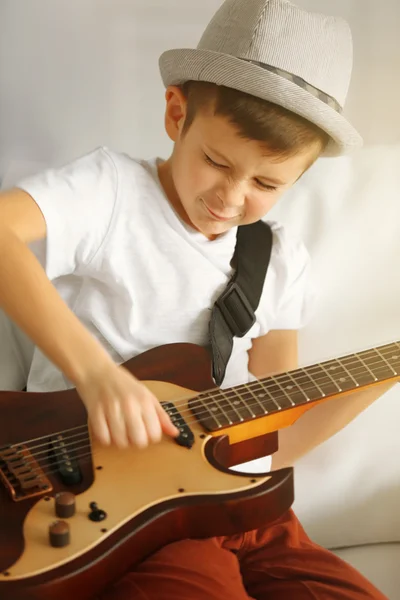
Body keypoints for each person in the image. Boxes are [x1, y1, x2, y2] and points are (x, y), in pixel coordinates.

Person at [0, 0, 392, 598]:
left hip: (246, 507)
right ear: (176, 114)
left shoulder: (279, 259)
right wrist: (99, 377)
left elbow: (276, 435)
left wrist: (384, 372)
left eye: (266, 184)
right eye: (216, 161)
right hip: (120, 507)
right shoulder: (109, 192)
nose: (231, 198)